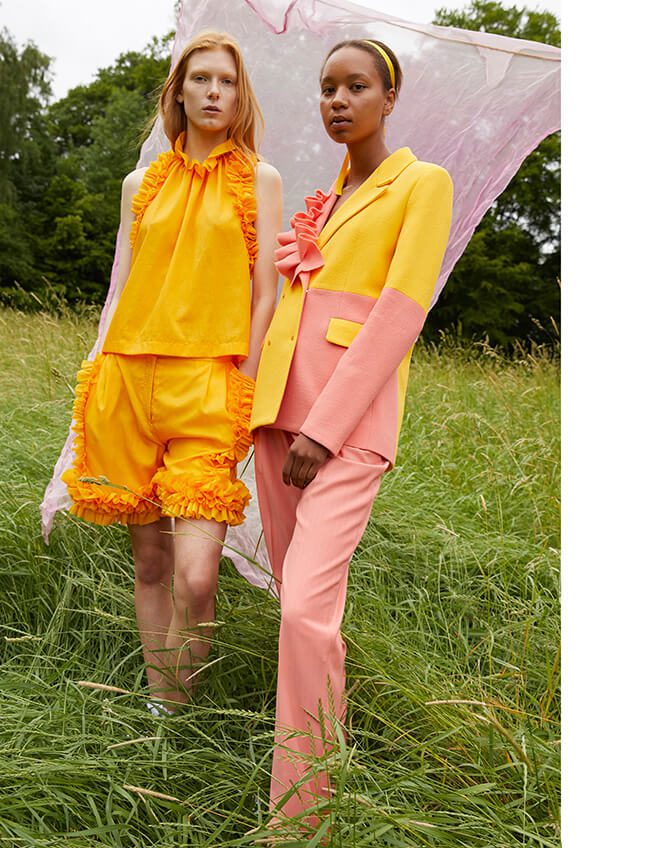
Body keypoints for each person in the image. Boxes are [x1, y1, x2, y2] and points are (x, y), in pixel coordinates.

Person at [248, 38, 452, 829]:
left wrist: (325, 430)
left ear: (388, 98)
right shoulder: (323, 198)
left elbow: (400, 313)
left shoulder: (421, 183)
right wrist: (258, 409)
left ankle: (303, 815)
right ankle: (313, 766)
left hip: (344, 427)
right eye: (328, 88)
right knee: (295, 609)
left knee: (305, 610)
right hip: (276, 420)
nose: (338, 100)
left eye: (356, 86)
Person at [61, 31, 282, 714]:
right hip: (128, 382)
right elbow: (122, 286)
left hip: (208, 388)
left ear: (240, 96)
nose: (215, 92)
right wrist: (97, 375)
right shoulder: (141, 184)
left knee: (196, 575)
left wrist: (242, 379)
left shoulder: (259, 179)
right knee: (151, 566)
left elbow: (266, 291)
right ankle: (168, 716)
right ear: (179, 91)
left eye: (228, 82)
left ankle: (179, 699)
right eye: (203, 79)